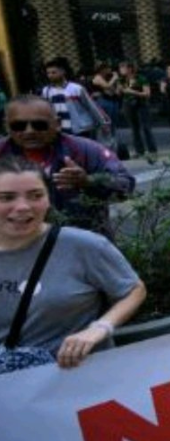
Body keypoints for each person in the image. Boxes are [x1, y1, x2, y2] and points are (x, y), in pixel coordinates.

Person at [0, 156, 145, 372]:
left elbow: (133, 289)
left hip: (76, 380)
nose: (22, 207)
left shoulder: (83, 245)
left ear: (49, 199)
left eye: (35, 195)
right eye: (7, 198)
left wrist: (100, 328)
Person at [0, 97, 135, 233]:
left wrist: (88, 181)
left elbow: (126, 186)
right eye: (18, 126)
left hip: (81, 241)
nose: (29, 131)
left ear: (57, 123)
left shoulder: (85, 149)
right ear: (7, 126)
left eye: (39, 125)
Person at [40, 58, 108, 140]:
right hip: (61, 130)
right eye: (48, 73)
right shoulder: (46, 91)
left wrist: (102, 123)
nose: (50, 75)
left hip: (80, 129)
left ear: (63, 72)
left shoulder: (76, 89)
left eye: (54, 72)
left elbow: (90, 106)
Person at [118, 62, 158, 162]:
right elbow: (119, 93)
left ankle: (152, 149)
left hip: (141, 104)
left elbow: (147, 94)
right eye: (120, 68)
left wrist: (133, 92)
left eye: (123, 67)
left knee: (145, 127)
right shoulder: (121, 80)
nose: (121, 69)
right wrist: (119, 90)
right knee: (134, 128)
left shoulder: (141, 78)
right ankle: (139, 150)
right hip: (128, 104)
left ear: (130, 69)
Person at [91, 63, 123, 127]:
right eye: (108, 68)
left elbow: (114, 88)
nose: (110, 70)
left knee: (114, 120)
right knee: (106, 120)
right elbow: (107, 86)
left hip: (113, 100)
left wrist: (117, 86)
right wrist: (114, 78)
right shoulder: (98, 77)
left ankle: (113, 135)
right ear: (102, 70)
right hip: (103, 101)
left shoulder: (108, 77)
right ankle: (107, 135)